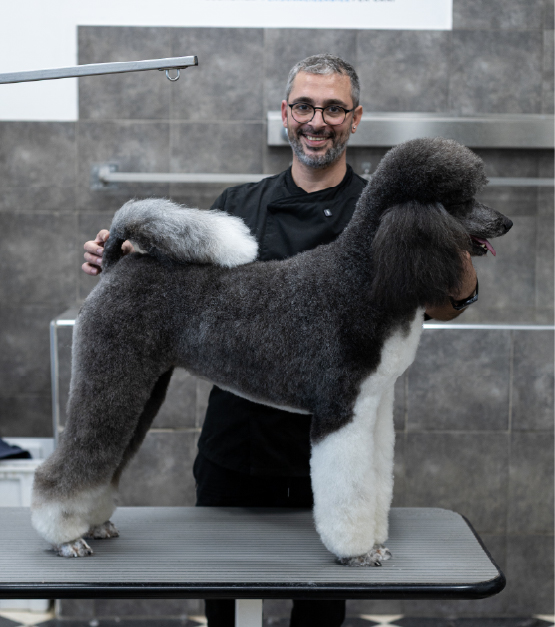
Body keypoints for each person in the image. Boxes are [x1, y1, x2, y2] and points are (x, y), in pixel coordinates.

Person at [82, 54, 478, 627]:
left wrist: (458, 256)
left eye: (334, 109)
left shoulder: (387, 212)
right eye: (305, 107)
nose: (318, 121)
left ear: (355, 118)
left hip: (330, 452)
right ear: (285, 114)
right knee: (226, 611)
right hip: (235, 452)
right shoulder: (235, 205)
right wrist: (121, 260)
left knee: (320, 618)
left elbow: (442, 305)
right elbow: (177, 295)